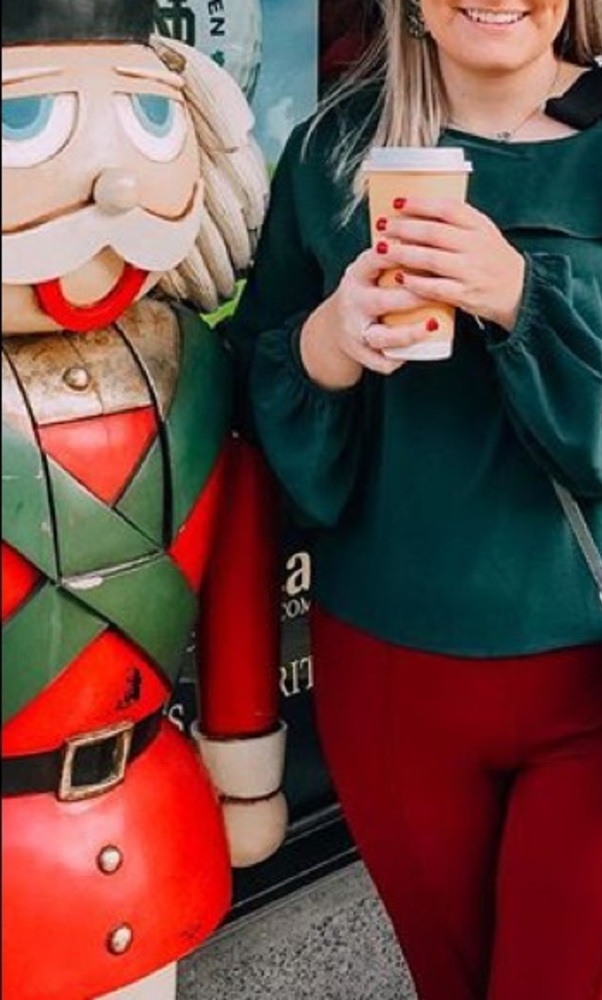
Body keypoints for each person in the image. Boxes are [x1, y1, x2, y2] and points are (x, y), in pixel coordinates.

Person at [227, 0, 602, 997]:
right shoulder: (333, 148)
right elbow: (255, 390)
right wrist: (328, 344)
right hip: (389, 676)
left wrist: (524, 295)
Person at [1, 4, 286, 998]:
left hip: (145, 817)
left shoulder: (196, 373)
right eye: (25, 122)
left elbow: (238, 568)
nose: (116, 182)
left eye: (149, 121)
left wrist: (244, 752)